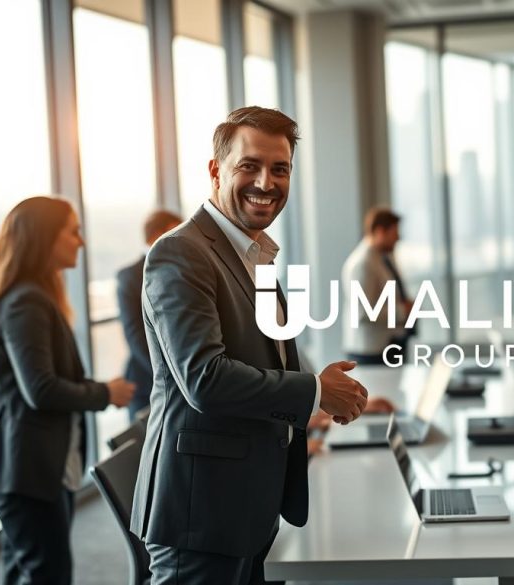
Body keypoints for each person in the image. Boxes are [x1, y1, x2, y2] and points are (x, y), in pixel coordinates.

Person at [130, 106, 369, 584]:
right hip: (203, 511)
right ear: (216, 170)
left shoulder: (252, 251)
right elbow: (206, 379)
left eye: (280, 169)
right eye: (249, 166)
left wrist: (321, 402)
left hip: (248, 501)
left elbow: (264, 359)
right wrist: (316, 394)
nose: (267, 181)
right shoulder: (180, 252)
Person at [0, 196, 135, 585]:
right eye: (72, 232)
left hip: (29, 467)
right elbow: (41, 389)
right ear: (43, 239)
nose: (81, 242)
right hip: (24, 469)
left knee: (27, 569)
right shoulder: (26, 302)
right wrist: (106, 393)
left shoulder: (32, 297)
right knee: (47, 573)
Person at [116, 209, 182, 420]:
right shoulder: (130, 276)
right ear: (156, 236)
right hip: (147, 382)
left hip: (182, 379)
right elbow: (135, 335)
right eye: (175, 233)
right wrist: (170, 375)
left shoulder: (184, 271)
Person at [341, 207, 416, 365]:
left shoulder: (384, 257)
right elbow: (363, 312)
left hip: (388, 344)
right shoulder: (362, 264)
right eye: (394, 233)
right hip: (371, 351)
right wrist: (404, 311)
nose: (398, 238)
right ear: (380, 231)